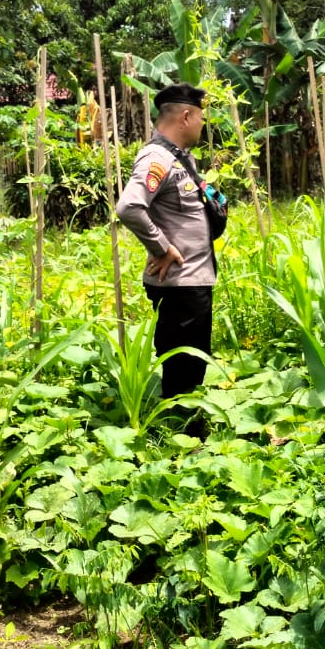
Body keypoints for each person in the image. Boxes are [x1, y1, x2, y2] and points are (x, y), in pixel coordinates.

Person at [115, 82, 215, 410]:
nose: (203, 124)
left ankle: (183, 423)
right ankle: (183, 432)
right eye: (200, 117)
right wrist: (161, 247)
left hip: (192, 280)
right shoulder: (156, 158)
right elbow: (129, 207)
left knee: (191, 358)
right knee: (184, 362)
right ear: (185, 116)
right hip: (180, 284)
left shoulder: (181, 158)